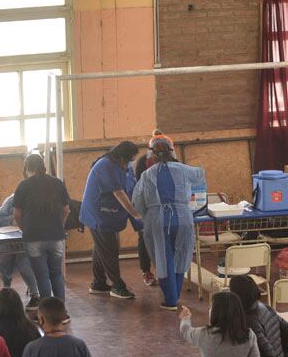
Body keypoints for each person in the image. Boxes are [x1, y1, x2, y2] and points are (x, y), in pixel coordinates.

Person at [131, 135, 204, 310]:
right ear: (173, 151)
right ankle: (175, 294)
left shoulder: (147, 174)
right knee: (181, 255)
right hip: (184, 218)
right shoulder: (186, 170)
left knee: (163, 258)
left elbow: (138, 203)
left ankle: (170, 299)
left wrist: (149, 214)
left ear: (152, 154)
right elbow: (200, 183)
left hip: (157, 220)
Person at [80, 140, 143, 300]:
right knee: (110, 249)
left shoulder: (124, 166)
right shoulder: (106, 166)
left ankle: (99, 283)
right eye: (130, 158)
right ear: (122, 157)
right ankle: (117, 285)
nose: (131, 162)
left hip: (109, 213)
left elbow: (132, 187)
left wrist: (138, 217)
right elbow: (119, 193)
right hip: (99, 214)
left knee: (101, 247)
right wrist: (136, 214)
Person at [13, 152, 71, 302]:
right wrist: (60, 225)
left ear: (27, 168)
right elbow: (66, 210)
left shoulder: (23, 185)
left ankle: (46, 312)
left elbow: (17, 214)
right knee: (56, 274)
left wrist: (24, 228)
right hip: (56, 235)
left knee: (42, 276)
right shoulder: (57, 183)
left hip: (33, 236)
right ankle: (61, 312)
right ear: (43, 166)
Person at [134, 130, 173, 287]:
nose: (161, 153)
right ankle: (146, 271)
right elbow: (140, 187)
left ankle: (167, 269)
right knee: (145, 236)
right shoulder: (143, 162)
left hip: (168, 204)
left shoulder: (173, 161)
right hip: (147, 204)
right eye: (158, 149)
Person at [0, 194, 40, 307]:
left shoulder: (39, 199)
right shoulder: (12, 199)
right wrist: (13, 220)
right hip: (8, 238)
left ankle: (35, 294)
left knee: (25, 264)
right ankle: (6, 290)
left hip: (28, 239)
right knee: (4, 261)